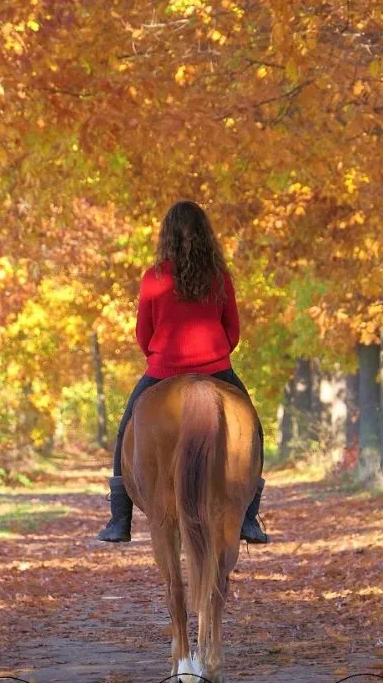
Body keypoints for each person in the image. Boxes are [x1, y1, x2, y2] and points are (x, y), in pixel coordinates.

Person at [97, 200, 268, 545]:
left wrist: (162, 358)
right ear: (206, 235)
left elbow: (143, 335)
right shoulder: (220, 277)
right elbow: (232, 331)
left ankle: (120, 519)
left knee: (124, 432)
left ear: (167, 236)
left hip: (163, 371)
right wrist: (212, 356)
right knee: (254, 431)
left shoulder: (154, 278)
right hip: (217, 369)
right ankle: (248, 517)